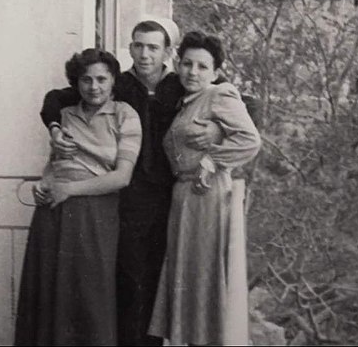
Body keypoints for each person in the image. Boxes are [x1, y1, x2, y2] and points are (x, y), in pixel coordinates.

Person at [39, 18, 222, 345]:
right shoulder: (119, 84)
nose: (144, 54)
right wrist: (54, 127)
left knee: (167, 279)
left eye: (153, 47)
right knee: (129, 279)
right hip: (129, 198)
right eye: (137, 45)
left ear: (168, 52)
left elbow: (239, 104)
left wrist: (218, 131)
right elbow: (56, 98)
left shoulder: (182, 84)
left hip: (177, 193)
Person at [15, 49, 142, 346]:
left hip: (95, 214)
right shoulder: (66, 116)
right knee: (49, 295)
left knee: (89, 298)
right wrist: (44, 183)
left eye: (101, 79)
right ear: (77, 82)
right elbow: (54, 164)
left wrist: (69, 190)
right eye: (86, 80)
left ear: (113, 81)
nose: (94, 87)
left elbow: (122, 177)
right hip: (53, 212)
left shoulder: (126, 115)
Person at [148, 31, 261, 345]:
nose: (192, 72)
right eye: (186, 64)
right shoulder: (184, 101)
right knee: (186, 279)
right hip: (184, 197)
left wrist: (213, 161)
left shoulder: (220, 94)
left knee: (203, 279)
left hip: (206, 194)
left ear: (215, 71)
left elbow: (250, 141)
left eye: (201, 66)